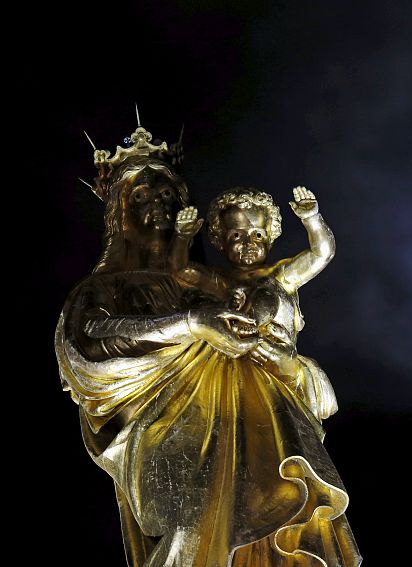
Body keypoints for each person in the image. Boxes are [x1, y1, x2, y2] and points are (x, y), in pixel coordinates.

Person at [56, 132, 361, 566]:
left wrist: (289, 365)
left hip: (252, 416)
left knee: (274, 507)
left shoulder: (216, 286)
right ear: (119, 211)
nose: (158, 203)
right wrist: (189, 324)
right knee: (192, 526)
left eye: (167, 193)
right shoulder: (107, 287)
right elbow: (87, 342)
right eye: (141, 195)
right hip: (168, 432)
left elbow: (272, 339)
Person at [169, 186, 339, 422]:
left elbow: (322, 253)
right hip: (227, 376)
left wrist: (311, 218)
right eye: (236, 236)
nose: (248, 243)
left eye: (257, 234)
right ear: (221, 241)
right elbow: (181, 270)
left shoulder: (281, 275)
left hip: (277, 371)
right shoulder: (219, 280)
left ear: (270, 238)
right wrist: (182, 237)